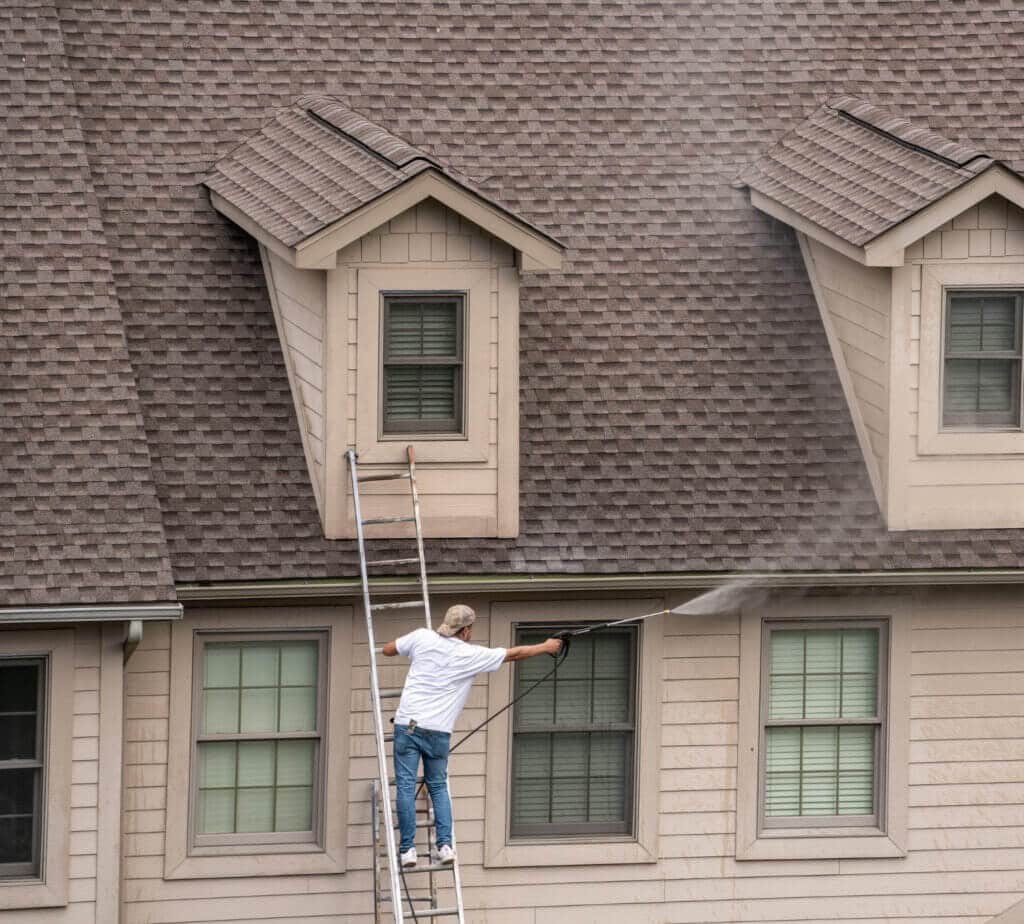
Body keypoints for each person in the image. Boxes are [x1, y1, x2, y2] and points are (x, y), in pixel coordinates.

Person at [381, 604, 562, 868]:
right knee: (438, 787)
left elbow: (387, 649)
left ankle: (407, 850)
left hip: (407, 725)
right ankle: (444, 846)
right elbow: (515, 654)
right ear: (465, 630)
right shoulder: (470, 655)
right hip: (438, 732)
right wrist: (546, 646)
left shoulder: (421, 637)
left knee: (406, 788)